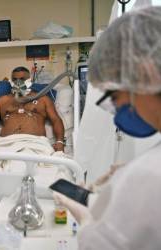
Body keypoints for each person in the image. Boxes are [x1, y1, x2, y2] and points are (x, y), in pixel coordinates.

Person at [54, 6, 161, 250]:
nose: (116, 108)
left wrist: (89, 221)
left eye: (113, 94)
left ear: (144, 74)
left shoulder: (150, 174)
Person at [0, 66, 66, 152]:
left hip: (35, 143)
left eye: (22, 79)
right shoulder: (3, 101)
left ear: (29, 81)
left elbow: (56, 120)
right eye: (15, 79)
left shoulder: (43, 100)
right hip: (5, 144)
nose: (18, 82)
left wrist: (60, 142)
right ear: (11, 82)